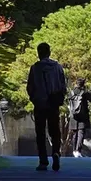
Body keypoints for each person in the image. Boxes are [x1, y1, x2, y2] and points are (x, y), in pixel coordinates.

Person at [26, 43, 68, 171]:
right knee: (55, 131)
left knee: (40, 132)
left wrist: (34, 98)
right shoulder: (57, 67)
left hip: (40, 103)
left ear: (38, 53)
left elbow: (30, 87)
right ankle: (56, 152)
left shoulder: (35, 68)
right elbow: (63, 86)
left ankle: (43, 160)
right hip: (53, 103)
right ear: (49, 52)